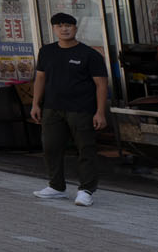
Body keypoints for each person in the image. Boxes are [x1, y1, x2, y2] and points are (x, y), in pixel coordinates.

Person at [29, 11, 109, 206]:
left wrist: (100, 112)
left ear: (75, 28)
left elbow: (101, 85)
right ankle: (56, 186)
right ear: (54, 29)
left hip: (81, 109)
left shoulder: (89, 54)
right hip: (52, 108)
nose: (64, 29)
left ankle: (86, 190)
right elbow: (40, 78)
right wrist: (35, 103)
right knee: (51, 147)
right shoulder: (46, 51)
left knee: (85, 149)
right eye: (59, 26)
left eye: (68, 25)